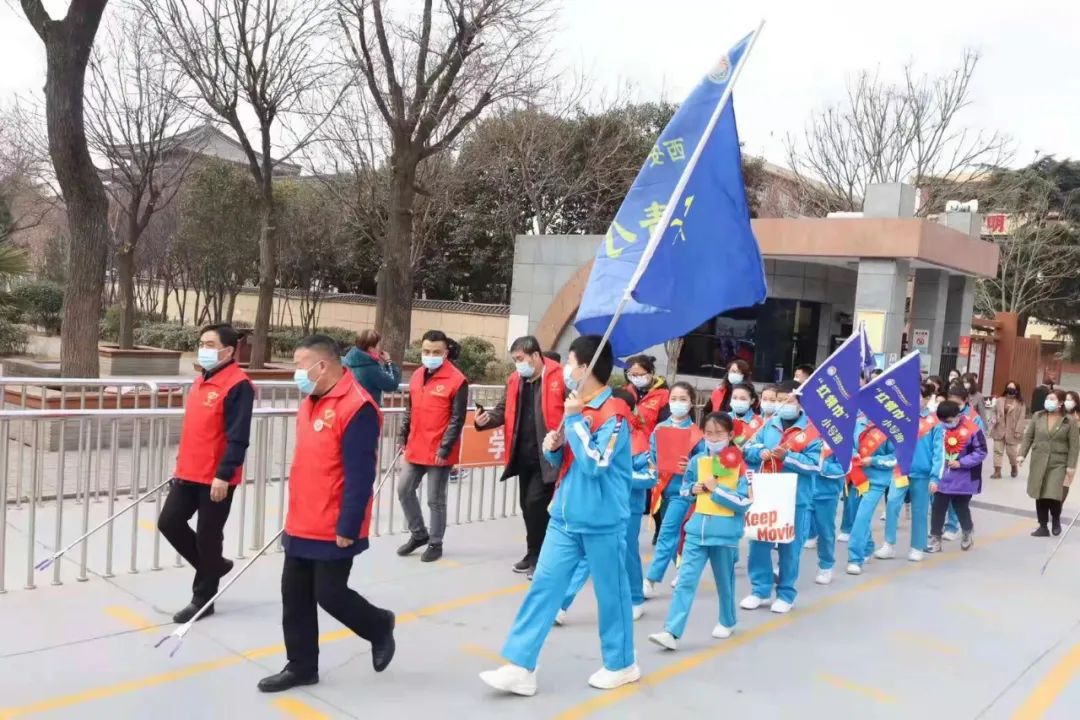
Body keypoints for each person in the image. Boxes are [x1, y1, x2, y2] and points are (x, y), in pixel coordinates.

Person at [480, 335, 639, 697]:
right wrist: (553, 448)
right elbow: (568, 462)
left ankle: (622, 663)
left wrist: (575, 423)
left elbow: (596, 463)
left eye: (569, 363)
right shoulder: (577, 408)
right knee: (542, 589)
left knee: (610, 596)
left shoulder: (614, 414)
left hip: (602, 521)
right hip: (565, 516)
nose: (565, 370)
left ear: (586, 368)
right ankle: (520, 665)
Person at [257, 335, 395, 693]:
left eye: (300, 365)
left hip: (335, 522)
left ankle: (379, 625)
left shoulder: (357, 406)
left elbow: (361, 473)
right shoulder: (311, 401)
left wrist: (349, 523)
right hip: (303, 517)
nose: (296, 373)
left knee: (330, 594)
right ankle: (301, 665)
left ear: (323, 365)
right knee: (295, 595)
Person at [158, 324, 254, 623]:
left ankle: (203, 598)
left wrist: (224, 474)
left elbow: (238, 436)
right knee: (169, 522)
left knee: (208, 536)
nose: (205, 349)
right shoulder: (201, 381)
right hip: (188, 471)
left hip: (216, 477)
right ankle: (214, 566)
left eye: (211, 344)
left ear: (229, 349)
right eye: (202, 343)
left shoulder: (238, 385)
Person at [648, 412, 752, 650]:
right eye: (709, 433)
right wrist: (692, 489)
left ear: (730, 435)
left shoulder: (741, 465)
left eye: (719, 433)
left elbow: (746, 502)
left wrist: (717, 491)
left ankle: (727, 620)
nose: (713, 438)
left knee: (724, 583)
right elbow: (684, 489)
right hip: (695, 532)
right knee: (685, 581)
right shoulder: (697, 461)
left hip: (724, 534)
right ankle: (671, 631)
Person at [475, 336, 565, 576]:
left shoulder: (560, 378)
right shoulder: (515, 380)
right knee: (526, 506)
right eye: (515, 360)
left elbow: (574, 411)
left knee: (537, 505)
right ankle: (532, 551)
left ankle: (543, 558)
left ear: (536, 355)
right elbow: (503, 410)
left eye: (520, 359)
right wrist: (485, 421)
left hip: (548, 457)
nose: (518, 365)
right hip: (522, 455)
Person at [557, 388, 648, 623]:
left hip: (628, 506)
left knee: (627, 554)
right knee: (586, 558)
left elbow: (650, 475)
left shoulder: (639, 437)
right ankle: (563, 604)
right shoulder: (602, 428)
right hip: (601, 506)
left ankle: (635, 598)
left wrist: (625, 476)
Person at [741, 381, 822, 614]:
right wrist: (760, 452)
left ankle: (786, 593)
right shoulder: (768, 424)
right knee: (759, 541)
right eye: (778, 400)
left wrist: (788, 457)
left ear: (800, 403)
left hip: (796, 497)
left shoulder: (812, 431)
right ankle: (760, 589)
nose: (782, 405)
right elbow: (748, 449)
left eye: (788, 400)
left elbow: (815, 465)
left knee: (790, 547)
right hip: (766, 492)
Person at [396, 330, 469, 563]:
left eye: (436, 352)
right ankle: (419, 534)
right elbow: (410, 409)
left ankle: (435, 543)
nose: (430, 355)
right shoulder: (417, 375)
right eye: (426, 351)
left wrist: (445, 449)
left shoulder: (457, 380)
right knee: (404, 489)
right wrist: (403, 435)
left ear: (446, 353)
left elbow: (457, 419)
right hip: (415, 445)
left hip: (439, 449)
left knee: (435, 499)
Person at [644, 382, 704, 592]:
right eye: (674, 399)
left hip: (683, 492)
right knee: (672, 536)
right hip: (661, 489)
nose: (677, 403)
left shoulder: (696, 434)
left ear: (691, 403)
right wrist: (652, 462)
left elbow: (705, 462)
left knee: (666, 533)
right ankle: (685, 570)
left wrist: (691, 466)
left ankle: (650, 580)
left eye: (683, 399)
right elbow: (650, 455)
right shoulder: (660, 428)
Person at [879, 382, 944, 562]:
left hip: (922, 474)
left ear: (926, 399)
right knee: (892, 503)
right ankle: (889, 544)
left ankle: (917, 546)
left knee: (920, 510)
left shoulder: (934, 423)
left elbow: (939, 452)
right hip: (901, 470)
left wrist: (935, 477)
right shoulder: (900, 418)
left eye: (918, 397)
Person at [927, 400, 987, 553]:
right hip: (943, 475)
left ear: (958, 415)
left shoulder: (973, 429)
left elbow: (981, 452)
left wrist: (961, 463)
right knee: (938, 507)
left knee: (961, 507)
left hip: (964, 477)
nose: (947, 424)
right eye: (943, 421)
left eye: (949, 420)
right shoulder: (939, 429)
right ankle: (935, 539)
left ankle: (967, 532)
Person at [1019, 390, 1078, 537]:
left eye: (1052, 399)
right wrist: (1021, 454)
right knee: (1040, 493)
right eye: (1047, 398)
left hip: (1058, 463)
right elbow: (1028, 437)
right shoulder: (1038, 416)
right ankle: (1043, 526)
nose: (1048, 401)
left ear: (1060, 403)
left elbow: (1074, 446)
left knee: (1053, 493)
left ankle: (1056, 519)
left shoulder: (1068, 420)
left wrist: (1071, 466)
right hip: (1039, 460)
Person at [844, 414, 897, 575]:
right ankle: (867, 547)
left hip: (877, 481)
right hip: (856, 476)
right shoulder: (858, 422)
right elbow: (846, 443)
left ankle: (855, 558)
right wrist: (853, 454)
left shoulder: (891, 427)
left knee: (862, 517)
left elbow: (896, 457)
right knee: (854, 516)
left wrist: (872, 460)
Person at [342, 329, 402, 406]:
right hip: (367, 411)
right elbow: (392, 384)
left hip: (349, 409)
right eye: (378, 345)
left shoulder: (346, 361)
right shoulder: (372, 369)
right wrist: (388, 362)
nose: (380, 348)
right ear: (371, 348)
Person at [990, 381, 1026, 479]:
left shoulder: (1020, 403)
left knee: (1012, 453)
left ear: (1017, 390)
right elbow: (993, 411)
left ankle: (1014, 466)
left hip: (1012, 431)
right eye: (1009, 387)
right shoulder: (999, 400)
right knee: (997, 451)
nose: (1010, 389)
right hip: (999, 429)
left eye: (1013, 388)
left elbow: (1021, 418)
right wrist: (993, 419)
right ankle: (997, 471)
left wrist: (1019, 430)